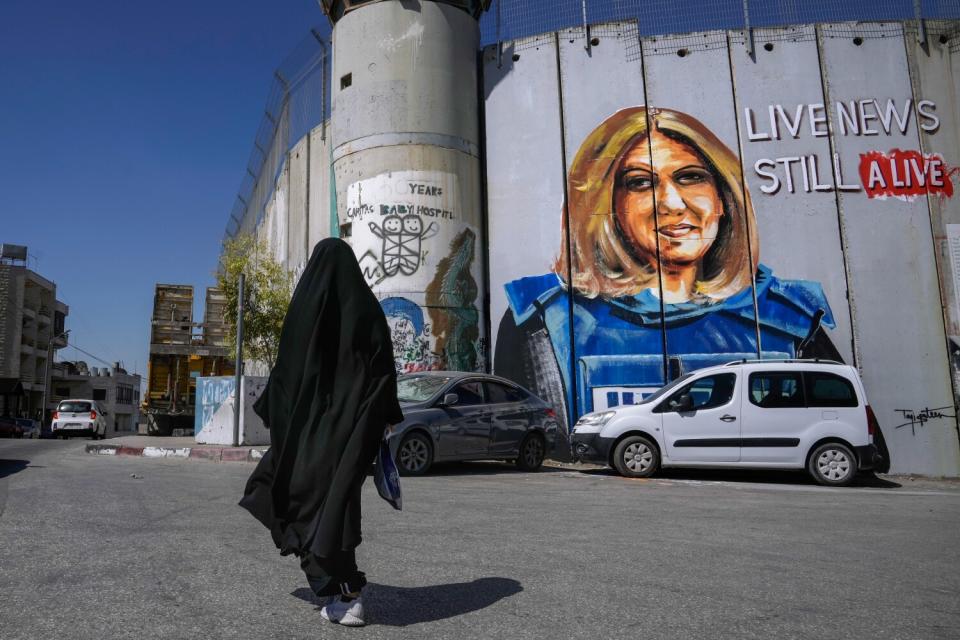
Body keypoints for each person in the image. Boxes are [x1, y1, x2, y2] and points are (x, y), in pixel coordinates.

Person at [495, 106, 840, 428]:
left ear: (723, 197)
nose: (672, 204)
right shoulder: (546, 322)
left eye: (691, 177)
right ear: (607, 204)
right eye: (641, 183)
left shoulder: (788, 319)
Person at [239, 238, 404, 628]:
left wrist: (276, 415)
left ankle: (347, 595)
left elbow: (285, 373)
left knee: (282, 492)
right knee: (335, 508)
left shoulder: (304, 311)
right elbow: (383, 374)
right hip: (350, 434)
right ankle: (341, 591)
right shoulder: (367, 310)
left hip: (305, 435)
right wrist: (382, 419)